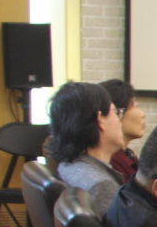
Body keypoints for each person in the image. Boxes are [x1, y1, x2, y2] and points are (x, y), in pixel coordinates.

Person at [47, 81, 127, 215]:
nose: (120, 121)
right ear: (100, 120)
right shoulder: (102, 186)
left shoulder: (70, 166)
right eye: (116, 112)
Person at [99, 78, 147, 183]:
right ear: (116, 113)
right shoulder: (113, 162)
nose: (143, 114)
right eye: (135, 106)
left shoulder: (128, 156)